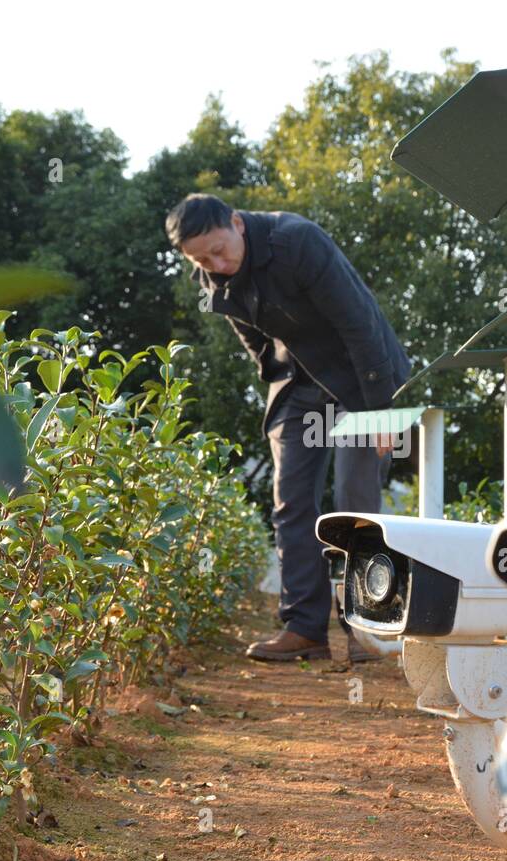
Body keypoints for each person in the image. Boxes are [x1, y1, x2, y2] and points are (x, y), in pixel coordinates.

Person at [166, 193, 412, 662]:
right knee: (290, 501)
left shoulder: (297, 241)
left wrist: (383, 411)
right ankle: (304, 628)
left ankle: (367, 627)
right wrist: (275, 379)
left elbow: (359, 322)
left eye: (219, 250)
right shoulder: (212, 277)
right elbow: (253, 337)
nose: (215, 264)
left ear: (237, 223)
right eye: (200, 259)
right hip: (297, 382)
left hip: (361, 375)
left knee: (355, 503)